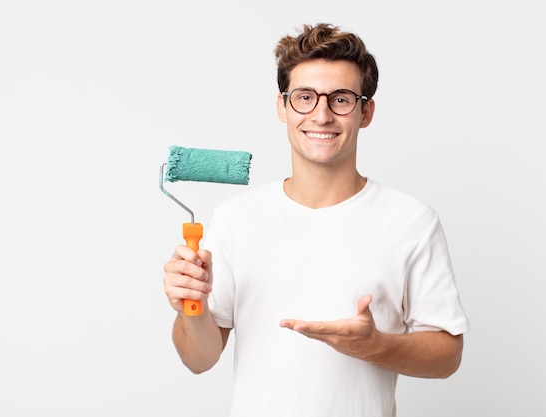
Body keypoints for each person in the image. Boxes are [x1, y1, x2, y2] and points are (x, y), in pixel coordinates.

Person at [163, 23, 470, 417]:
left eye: (340, 99)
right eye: (305, 97)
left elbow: (447, 356)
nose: (321, 115)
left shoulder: (412, 222)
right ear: (283, 106)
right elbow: (199, 359)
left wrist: (374, 345)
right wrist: (193, 303)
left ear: (366, 111)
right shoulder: (235, 220)